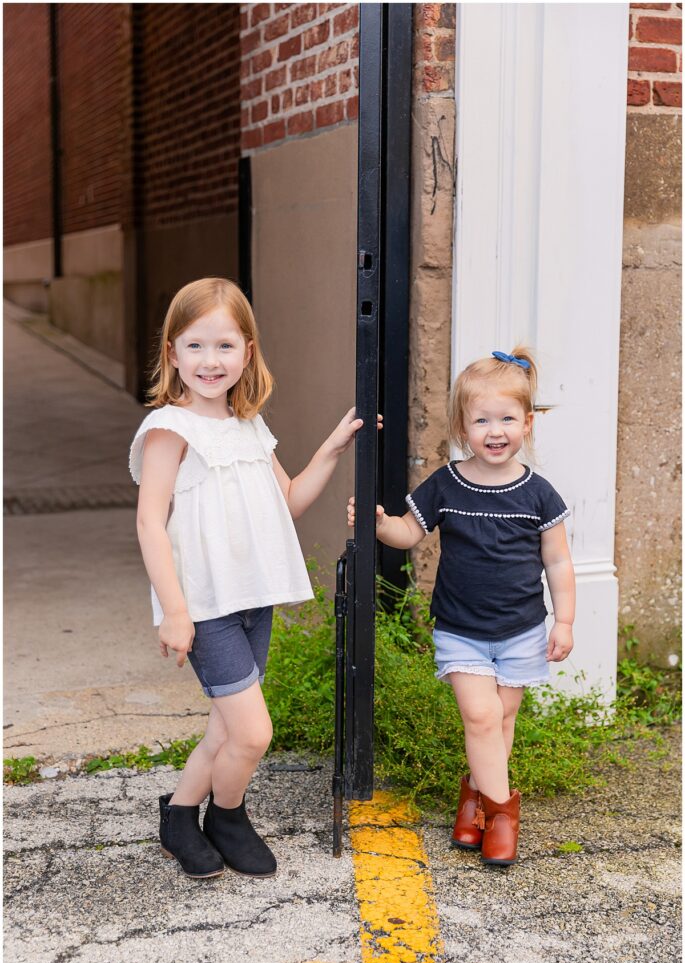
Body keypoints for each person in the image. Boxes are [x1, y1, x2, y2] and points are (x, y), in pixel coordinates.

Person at [130, 277, 372, 880]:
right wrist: (174, 610)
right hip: (204, 606)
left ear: (248, 352)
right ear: (171, 354)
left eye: (225, 347)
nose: (211, 361)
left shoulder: (249, 425)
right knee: (253, 733)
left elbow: (286, 500)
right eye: (195, 346)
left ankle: (181, 815)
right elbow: (150, 524)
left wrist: (333, 449)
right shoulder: (170, 430)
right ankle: (228, 816)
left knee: (224, 727)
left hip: (250, 597)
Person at [348, 348, 575, 866]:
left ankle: (472, 800)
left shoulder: (539, 494)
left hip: (521, 629)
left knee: (502, 719)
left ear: (528, 423)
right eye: (482, 421)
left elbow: (559, 564)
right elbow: (409, 533)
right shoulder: (448, 483)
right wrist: (380, 524)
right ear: (461, 426)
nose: (496, 431)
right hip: (461, 629)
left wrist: (564, 621)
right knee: (480, 714)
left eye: (508, 419)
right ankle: (502, 815)